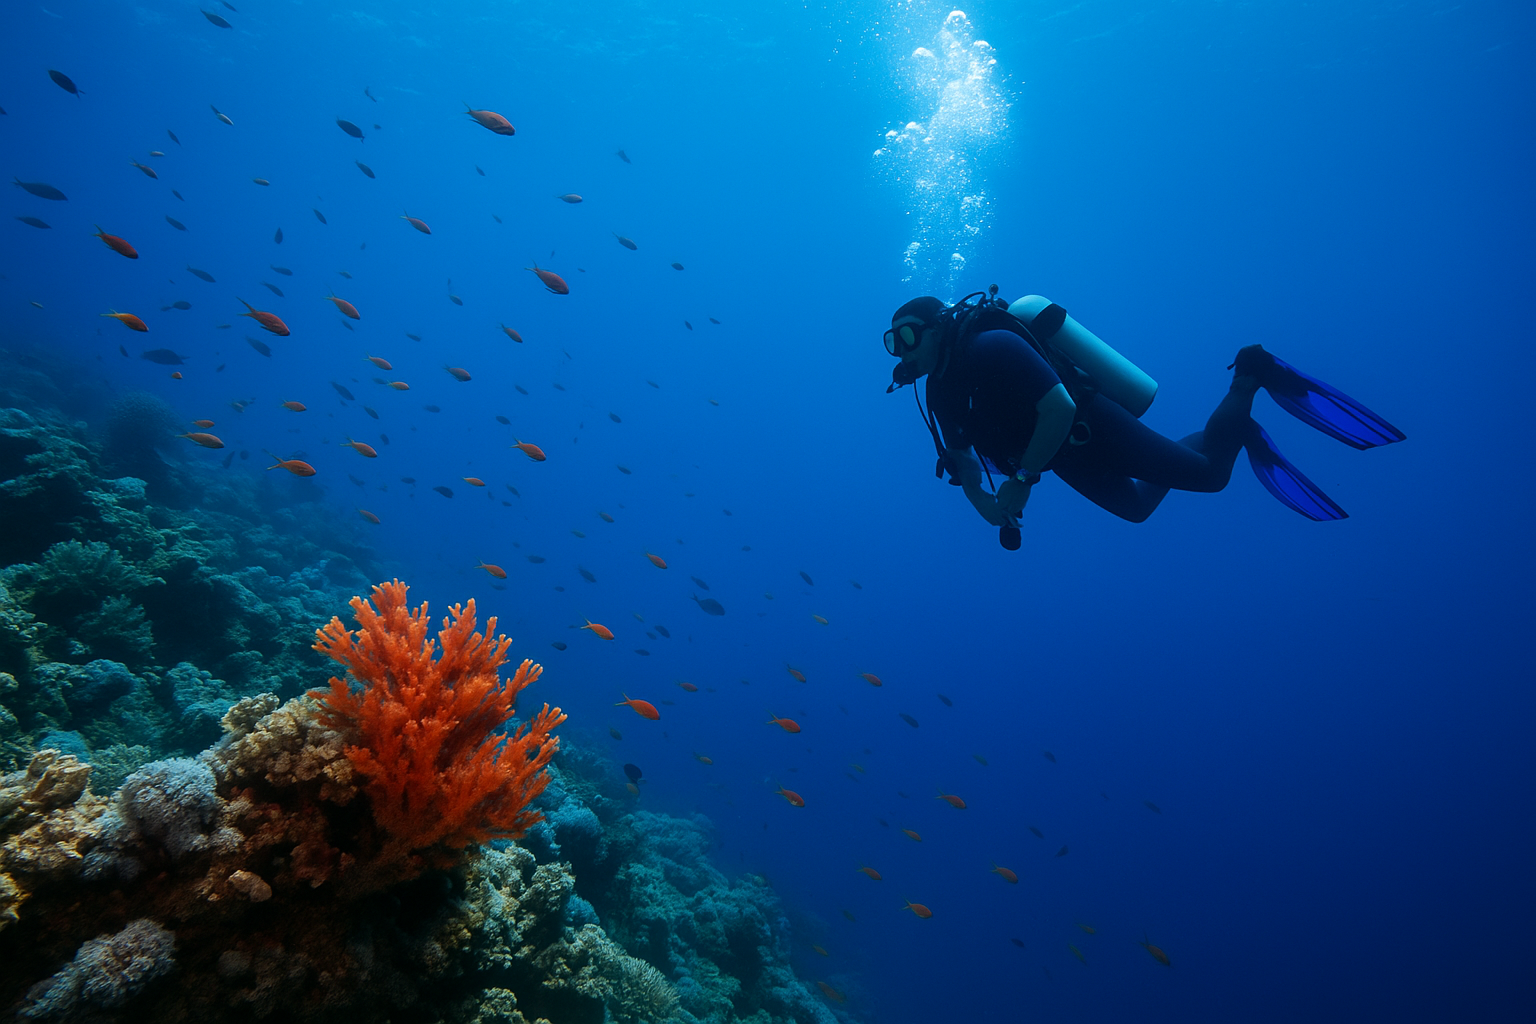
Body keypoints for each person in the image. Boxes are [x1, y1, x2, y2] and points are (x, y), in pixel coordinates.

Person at [884, 289, 1405, 547]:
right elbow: (961, 459)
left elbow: (1059, 407)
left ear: (937, 328)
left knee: (1211, 477)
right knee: (1136, 510)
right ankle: (1207, 437)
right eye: (893, 342)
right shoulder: (940, 394)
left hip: (1089, 425)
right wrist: (982, 502)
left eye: (908, 335)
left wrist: (1020, 481)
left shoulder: (992, 347)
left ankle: (1248, 378)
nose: (901, 351)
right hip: (1056, 458)